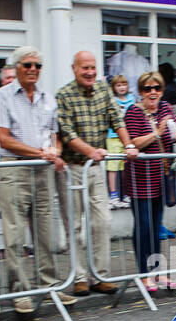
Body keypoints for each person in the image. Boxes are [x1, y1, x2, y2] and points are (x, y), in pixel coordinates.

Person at [0, 44, 73, 317]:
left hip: (41, 169)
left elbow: (54, 134)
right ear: (16, 68)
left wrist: (55, 152)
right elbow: (4, 138)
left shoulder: (48, 98)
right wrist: (42, 153)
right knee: (13, 235)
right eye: (27, 65)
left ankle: (48, 285)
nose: (33, 70)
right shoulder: (1, 96)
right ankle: (20, 291)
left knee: (44, 230)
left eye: (37, 66)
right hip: (14, 168)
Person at [56, 50, 139, 296]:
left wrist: (129, 145)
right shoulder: (64, 95)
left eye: (93, 67)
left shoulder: (103, 90)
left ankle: (100, 275)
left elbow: (117, 119)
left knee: (102, 221)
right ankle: (80, 277)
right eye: (85, 68)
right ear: (74, 69)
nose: (90, 72)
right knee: (75, 225)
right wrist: (91, 151)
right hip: (72, 169)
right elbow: (67, 133)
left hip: (95, 167)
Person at [122, 71, 176, 289]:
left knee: (156, 225)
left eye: (157, 88)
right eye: (148, 89)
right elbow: (134, 143)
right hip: (139, 176)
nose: (153, 92)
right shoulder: (133, 112)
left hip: (161, 176)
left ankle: (157, 271)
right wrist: (157, 131)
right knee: (144, 224)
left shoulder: (166, 108)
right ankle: (142, 272)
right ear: (140, 92)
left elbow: (175, 132)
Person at [106, 73, 136, 208]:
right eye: (118, 85)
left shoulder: (132, 99)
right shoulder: (112, 100)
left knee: (125, 167)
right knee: (113, 166)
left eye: (124, 84)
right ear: (113, 87)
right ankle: (113, 194)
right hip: (113, 137)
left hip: (128, 137)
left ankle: (126, 194)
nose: (121, 87)